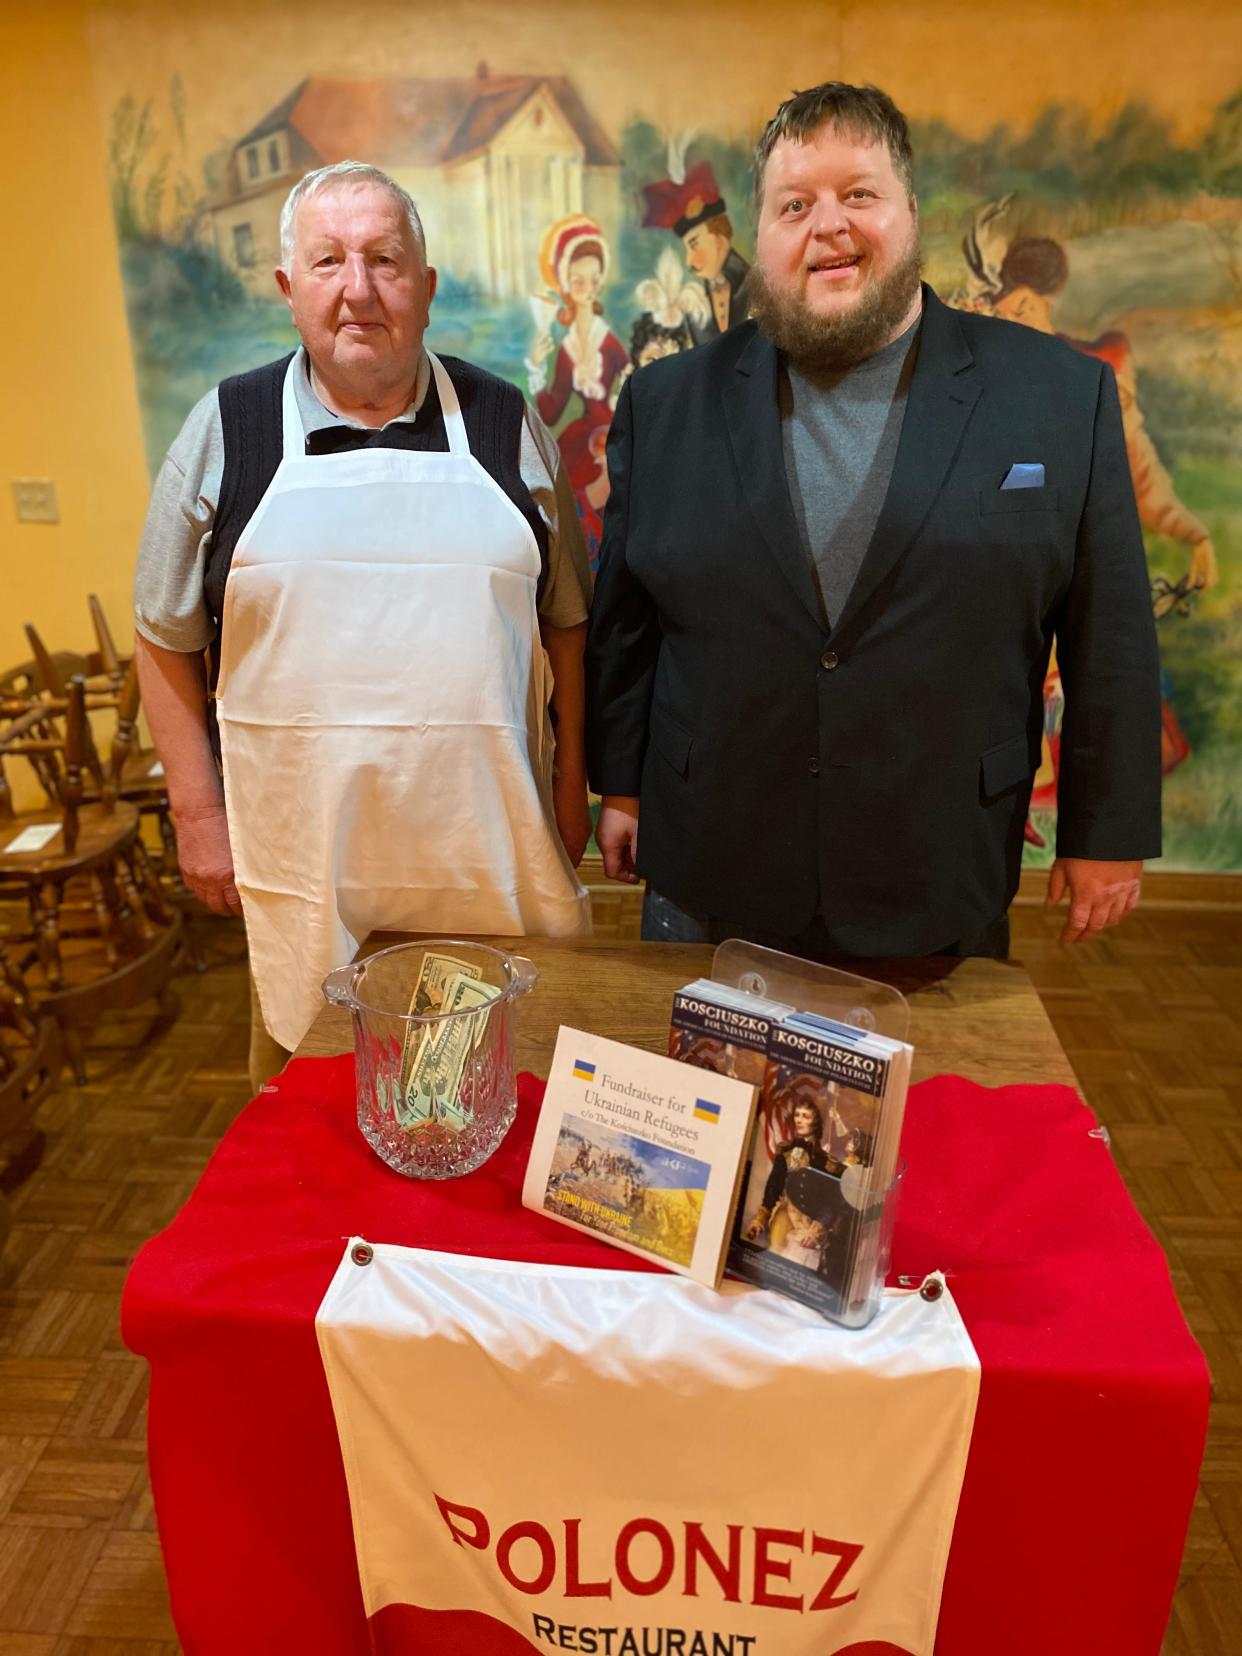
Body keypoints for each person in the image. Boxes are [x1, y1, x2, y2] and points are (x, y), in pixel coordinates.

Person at [585, 82, 1161, 960]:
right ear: (763, 234)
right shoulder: (665, 404)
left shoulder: (1057, 395)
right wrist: (620, 786)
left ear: (911, 212)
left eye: (859, 193)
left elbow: (1108, 632)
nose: (829, 225)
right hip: (709, 868)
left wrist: (1106, 828)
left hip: (938, 875)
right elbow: (628, 623)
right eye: (795, 204)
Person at [134, 161, 593, 1093]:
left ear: (425, 287)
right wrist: (196, 815)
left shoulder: (507, 421)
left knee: (503, 1110)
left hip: (491, 863)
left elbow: (567, 625)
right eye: (328, 261)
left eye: (385, 261)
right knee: (316, 1124)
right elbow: (163, 634)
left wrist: (573, 785)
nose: (357, 290)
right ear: (287, 289)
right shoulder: (226, 430)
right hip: (310, 876)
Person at [528, 215, 630, 567]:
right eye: (577, 280)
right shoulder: (568, 347)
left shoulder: (609, 339)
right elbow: (553, 410)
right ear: (567, 286)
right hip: (581, 436)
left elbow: (631, 381)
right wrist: (537, 367)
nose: (586, 286)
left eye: (592, 279)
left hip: (615, 430)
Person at [642, 142, 750, 346]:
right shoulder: (694, 304)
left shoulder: (756, 290)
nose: (689, 261)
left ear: (719, 237)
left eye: (694, 244)